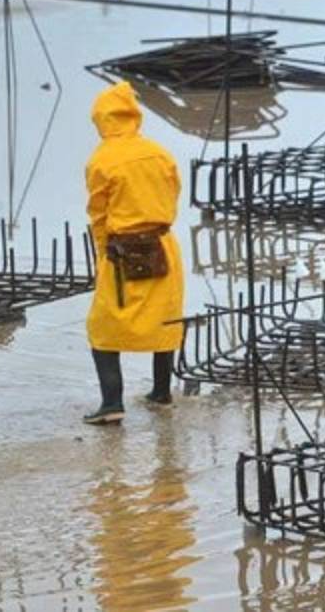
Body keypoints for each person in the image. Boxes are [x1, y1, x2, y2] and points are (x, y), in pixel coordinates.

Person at [82, 81, 185, 425]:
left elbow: (98, 212)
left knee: (103, 325)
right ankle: (161, 392)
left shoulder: (101, 159)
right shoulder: (160, 152)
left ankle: (112, 402)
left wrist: (102, 251)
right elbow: (173, 196)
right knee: (164, 318)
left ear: (103, 119)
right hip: (162, 244)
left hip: (121, 249)